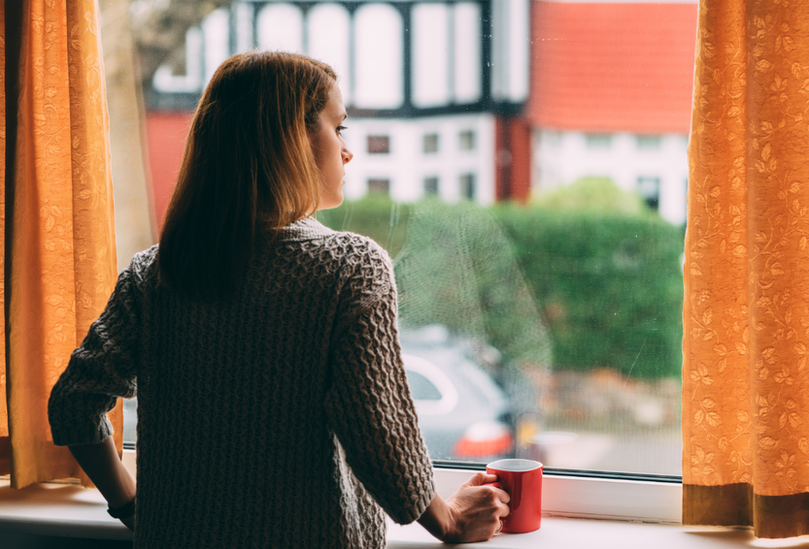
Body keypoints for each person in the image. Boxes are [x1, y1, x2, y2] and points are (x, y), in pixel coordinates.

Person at [47, 51, 510, 548]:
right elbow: (379, 433)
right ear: (293, 138)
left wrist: (133, 506)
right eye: (339, 127)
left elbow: (73, 403)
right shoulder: (349, 266)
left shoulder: (155, 273)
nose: (348, 151)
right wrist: (450, 521)